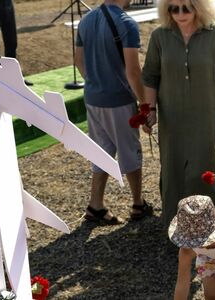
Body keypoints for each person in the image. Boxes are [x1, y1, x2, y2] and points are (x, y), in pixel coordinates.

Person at [142, 0, 215, 224]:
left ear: (199, 7)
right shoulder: (160, 36)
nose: (180, 13)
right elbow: (150, 77)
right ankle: (178, 224)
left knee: (206, 168)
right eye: (173, 8)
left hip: (207, 117)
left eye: (186, 7)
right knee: (173, 168)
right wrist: (150, 110)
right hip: (171, 118)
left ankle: (209, 226)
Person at [74, 0, 151, 224]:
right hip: (118, 100)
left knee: (102, 152)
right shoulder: (126, 23)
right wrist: (144, 104)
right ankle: (138, 203)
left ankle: (95, 205)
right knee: (130, 153)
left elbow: (79, 61)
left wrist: (96, 82)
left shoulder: (86, 20)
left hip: (93, 97)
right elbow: (134, 71)